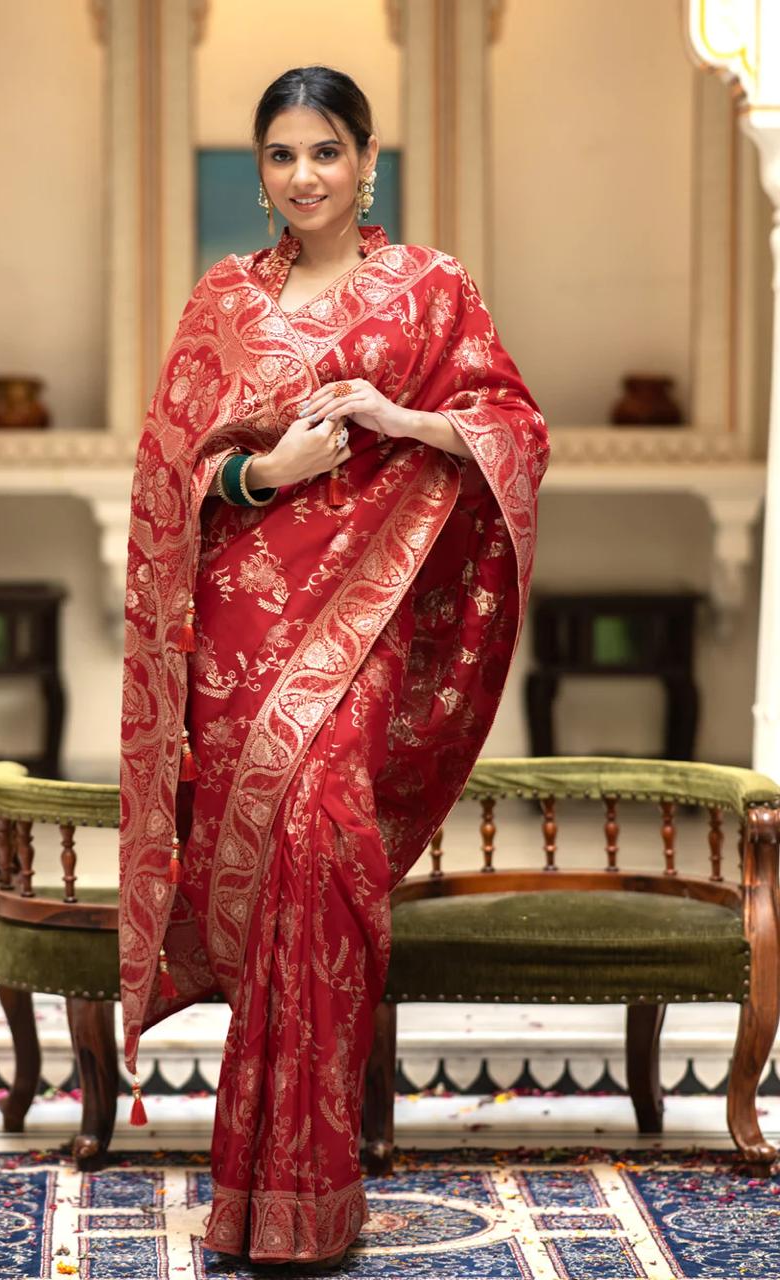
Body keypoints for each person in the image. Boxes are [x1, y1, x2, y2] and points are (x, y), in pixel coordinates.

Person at [119, 64, 549, 1270]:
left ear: (368, 160)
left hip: (362, 626)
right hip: (242, 631)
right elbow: (170, 477)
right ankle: (255, 1193)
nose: (303, 175)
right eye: (280, 154)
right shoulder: (223, 303)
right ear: (260, 173)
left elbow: (514, 428)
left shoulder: (428, 290)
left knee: (323, 847)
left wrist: (403, 422)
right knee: (272, 871)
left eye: (325, 151)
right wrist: (274, 473)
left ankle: (316, 1184)